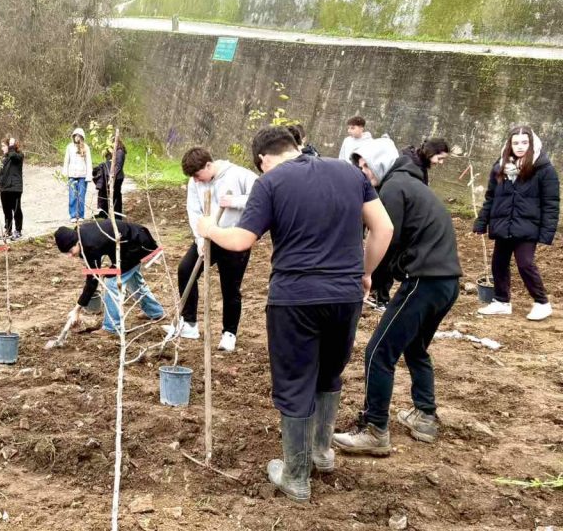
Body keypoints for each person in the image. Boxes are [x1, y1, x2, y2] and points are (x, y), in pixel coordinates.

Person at [197, 126, 393, 502]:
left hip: (296, 299)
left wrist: (208, 227)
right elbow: (383, 227)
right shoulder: (350, 173)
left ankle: (296, 474)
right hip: (345, 296)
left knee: (294, 381)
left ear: (263, 160)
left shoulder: (271, 183)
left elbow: (241, 240)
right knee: (329, 372)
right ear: (296, 146)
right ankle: (321, 452)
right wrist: (364, 273)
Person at [332, 138, 462, 455]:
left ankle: (375, 428)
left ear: (377, 163)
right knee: (415, 347)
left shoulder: (393, 188)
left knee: (378, 352)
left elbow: (386, 237)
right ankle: (425, 416)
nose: (361, 171)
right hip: (446, 281)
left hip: (424, 279)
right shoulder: (409, 183)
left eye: (364, 165)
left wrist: (368, 278)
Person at [167, 147, 257, 352]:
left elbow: (261, 197)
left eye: (198, 175)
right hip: (208, 236)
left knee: (230, 286)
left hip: (234, 236)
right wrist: (199, 239)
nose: (196, 180)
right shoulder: (194, 182)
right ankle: (189, 323)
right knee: (186, 269)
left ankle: (229, 333)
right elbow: (194, 210)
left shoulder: (239, 174)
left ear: (208, 165)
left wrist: (235, 201)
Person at [474, 125, 559, 321]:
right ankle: (501, 301)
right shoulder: (500, 167)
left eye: (524, 143)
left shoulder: (544, 169)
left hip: (528, 227)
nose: (519, 147)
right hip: (504, 224)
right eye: (515, 143)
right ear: (509, 144)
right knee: (499, 263)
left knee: (525, 264)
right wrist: (481, 222)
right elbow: (490, 197)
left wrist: (546, 234)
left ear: (531, 144)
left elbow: (551, 203)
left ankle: (542, 302)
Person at [368, 138, 452, 313]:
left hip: (402, 211)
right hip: (394, 209)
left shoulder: (417, 165)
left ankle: (379, 292)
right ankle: (377, 293)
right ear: (431, 152)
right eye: (440, 157)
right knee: (389, 247)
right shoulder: (407, 168)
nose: (440, 162)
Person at [54, 219, 165, 335]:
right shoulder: (81, 236)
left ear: (77, 242)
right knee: (132, 278)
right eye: (67, 253)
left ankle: (112, 327)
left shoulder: (90, 244)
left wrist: (77, 309)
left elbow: (92, 280)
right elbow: (94, 273)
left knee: (112, 282)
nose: (70, 256)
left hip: (138, 245)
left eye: (71, 251)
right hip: (127, 244)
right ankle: (154, 311)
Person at [62, 128, 93, 222]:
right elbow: (66, 161)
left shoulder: (86, 147)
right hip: (72, 175)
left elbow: (89, 162)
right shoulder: (69, 147)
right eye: (75, 135)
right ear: (73, 136)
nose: (77, 137)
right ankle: (73, 215)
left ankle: (81, 215)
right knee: (72, 196)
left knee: (81, 196)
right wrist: (65, 173)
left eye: (78, 136)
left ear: (82, 137)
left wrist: (89, 175)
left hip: (83, 175)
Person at [0, 137, 24, 240]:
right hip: (4, 188)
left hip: (15, 188)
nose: (2, 148)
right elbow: (1, 172)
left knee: (16, 210)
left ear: (10, 146)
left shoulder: (18, 155)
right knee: (6, 211)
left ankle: (18, 231)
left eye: (4, 146)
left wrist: (12, 146)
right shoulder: (4, 158)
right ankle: (8, 230)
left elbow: (13, 156)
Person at [94, 138, 127, 219]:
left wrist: (112, 176)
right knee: (104, 194)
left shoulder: (120, 152)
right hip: (108, 176)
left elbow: (118, 166)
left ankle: (117, 216)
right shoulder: (111, 151)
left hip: (117, 178)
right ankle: (104, 213)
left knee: (116, 196)